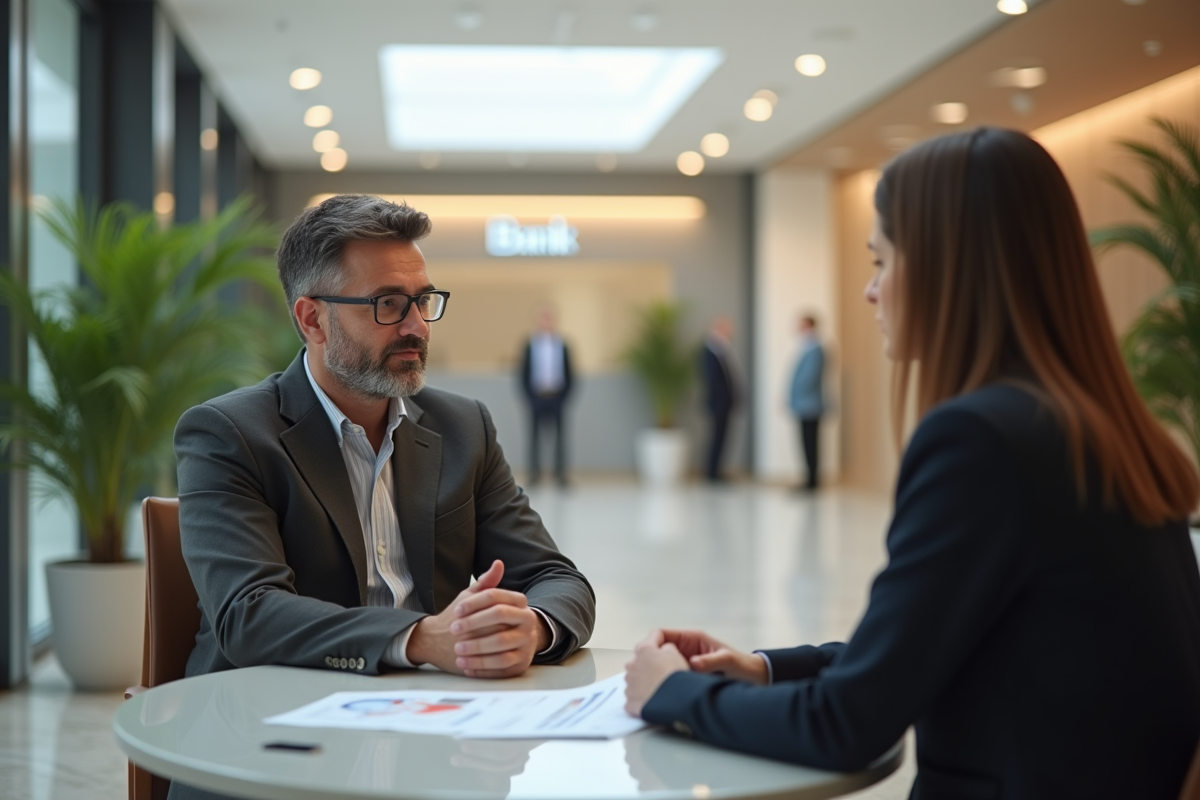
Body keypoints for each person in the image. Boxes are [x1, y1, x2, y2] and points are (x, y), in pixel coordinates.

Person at [624, 128, 1200, 799]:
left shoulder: (982, 442)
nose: (871, 291)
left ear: (947, 268)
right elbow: (936, 645)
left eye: (882, 261)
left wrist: (675, 692)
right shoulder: (1096, 428)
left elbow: (846, 725)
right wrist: (763, 668)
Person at [171, 195, 596, 799]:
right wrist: (420, 639)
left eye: (424, 301)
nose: (417, 326)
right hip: (267, 751)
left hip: (431, 750)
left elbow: (556, 578)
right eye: (388, 304)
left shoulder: (463, 427)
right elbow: (250, 614)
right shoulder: (229, 434)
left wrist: (529, 626)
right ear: (313, 319)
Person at [519, 307, 574, 486]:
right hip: (536, 396)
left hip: (557, 396)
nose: (546, 322)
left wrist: (565, 395)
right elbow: (523, 372)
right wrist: (528, 396)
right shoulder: (530, 344)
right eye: (543, 318)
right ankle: (534, 474)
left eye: (549, 318)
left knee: (560, 438)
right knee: (534, 437)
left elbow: (570, 372)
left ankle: (560, 475)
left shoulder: (562, 344)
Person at [699, 315, 740, 482]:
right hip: (718, 404)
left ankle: (716, 470)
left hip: (724, 404)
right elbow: (714, 381)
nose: (729, 335)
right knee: (716, 438)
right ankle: (712, 472)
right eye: (726, 331)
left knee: (722, 438)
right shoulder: (710, 353)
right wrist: (723, 400)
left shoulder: (721, 352)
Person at [788, 314, 826, 490]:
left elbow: (809, 378)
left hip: (809, 405)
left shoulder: (815, 349)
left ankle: (812, 481)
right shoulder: (807, 348)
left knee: (810, 443)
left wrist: (795, 394)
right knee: (805, 443)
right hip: (804, 405)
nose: (799, 329)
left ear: (810, 326)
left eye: (802, 325)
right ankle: (809, 478)